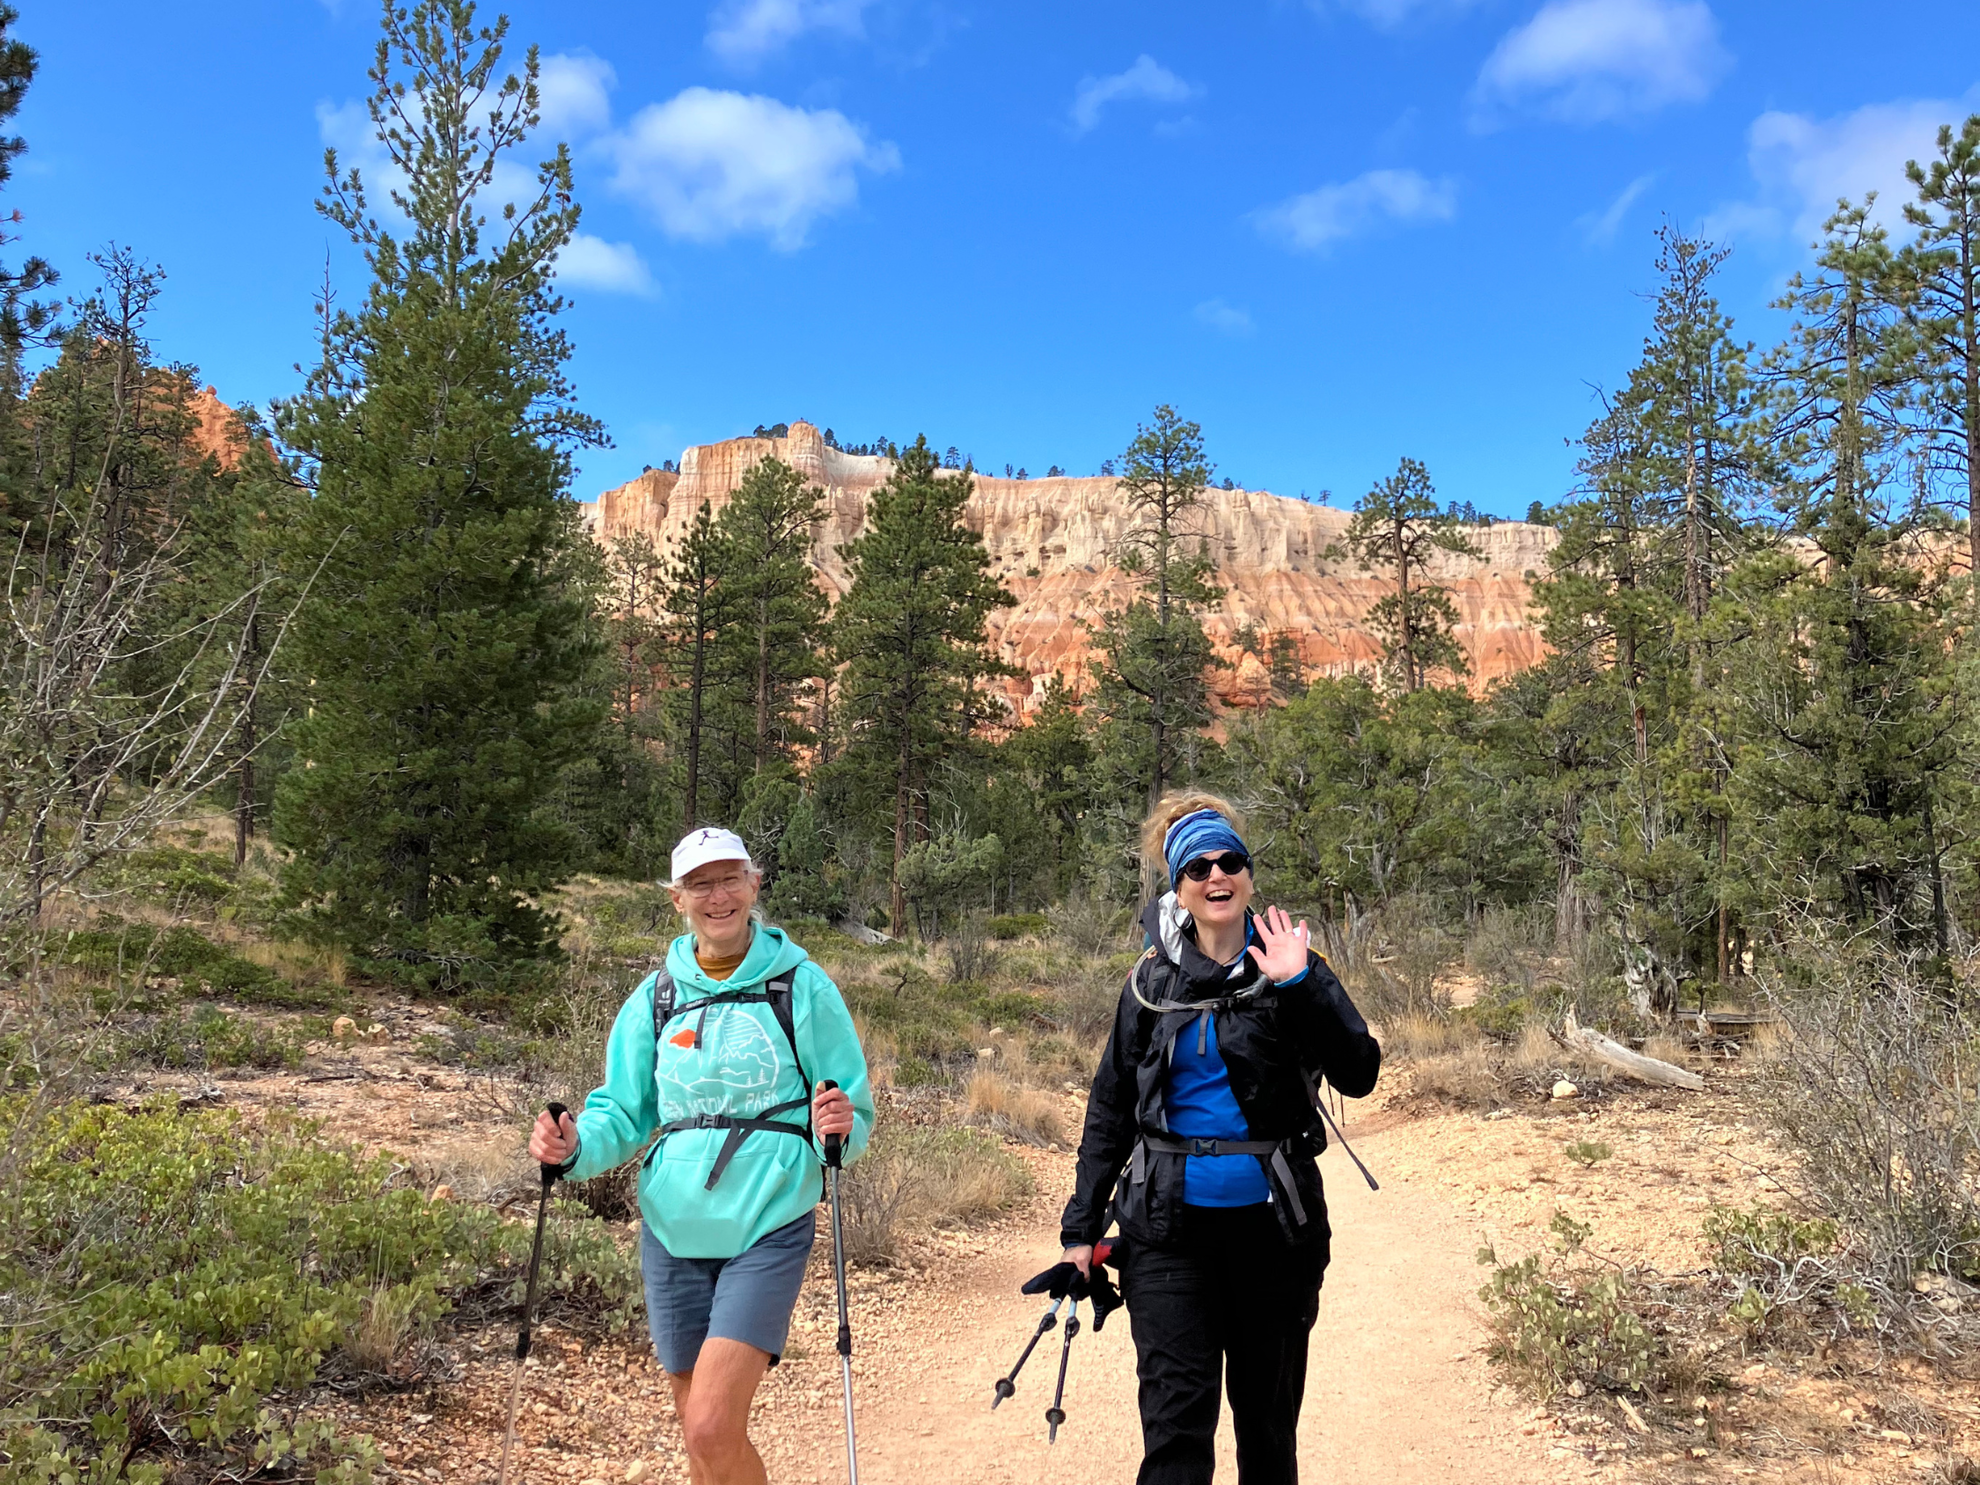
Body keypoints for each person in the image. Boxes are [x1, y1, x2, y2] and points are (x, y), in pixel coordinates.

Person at [530, 826, 874, 1485]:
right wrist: (571, 1146)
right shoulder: (654, 998)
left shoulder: (802, 987)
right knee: (701, 1445)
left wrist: (837, 1124)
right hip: (671, 1228)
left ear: (754, 884)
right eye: (699, 883)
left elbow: (847, 1111)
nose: (717, 896)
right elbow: (623, 1113)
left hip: (768, 1223)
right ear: (677, 898)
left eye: (728, 879)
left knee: (711, 1425)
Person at [1058, 792, 1381, 1485]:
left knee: (1266, 1431)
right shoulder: (1149, 982)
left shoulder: (1294, 964)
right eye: (1197, 866)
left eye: (1229, 860)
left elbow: (1360, 1073)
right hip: (1166, 1231)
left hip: (1275, 1234)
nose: (1216, 875)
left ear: (1248, 875)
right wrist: (1081, 1227)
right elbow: (1110, 1105)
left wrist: (1299, 986)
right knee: (1176, 1434)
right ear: (1177, 887)